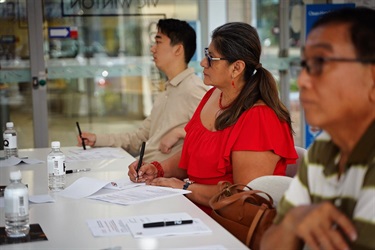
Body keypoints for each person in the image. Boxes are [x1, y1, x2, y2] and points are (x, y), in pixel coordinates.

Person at [128, 22, 297, 214]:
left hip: (225, 223)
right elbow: (191, 157)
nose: (202, 62)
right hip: (192, 208)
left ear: (236, 68)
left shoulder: (260, 118)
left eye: (211, 58)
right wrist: (157, 169)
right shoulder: (213, 95)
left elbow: (244, 195)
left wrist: (183, 188)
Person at [261, 7, 375, 250]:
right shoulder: (325, 146)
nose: (302, 79)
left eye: (321, 62)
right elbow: (270, 244)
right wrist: (293, 221)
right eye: (304, 64)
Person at [77, 19, 209, 163]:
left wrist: (180, 133)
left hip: (161, 177)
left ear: (178, 49)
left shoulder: (193, 89)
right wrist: (97, 139)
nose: (153, 49)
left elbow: (213, 135)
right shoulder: (166, 93)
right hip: (142, 170)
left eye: (158, 42)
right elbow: (138, 139)